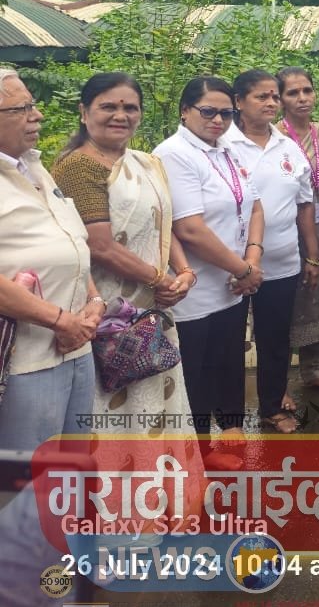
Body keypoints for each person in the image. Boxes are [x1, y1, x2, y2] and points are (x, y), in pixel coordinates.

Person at [50, 72, 200, 433]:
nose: (121, 115)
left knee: (158, 396)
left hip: (153, 301)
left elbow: (161, 226)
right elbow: (99, 245)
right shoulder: (78, 167)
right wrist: (160, 278)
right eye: (108, 106)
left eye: (130, 107)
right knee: (115, 409)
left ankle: (164, 485)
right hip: (108, 309)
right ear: (84, 112)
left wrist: (184, 273)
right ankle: (119, 490)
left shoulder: (145, 163)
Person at [154, 77, 266, 465]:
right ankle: (199, 454)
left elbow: (254, 205)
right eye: (208, 112)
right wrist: (245, 269)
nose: (218, 120)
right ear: (185, 111)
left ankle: (229, 424)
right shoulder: (174, 154)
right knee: (196, 374)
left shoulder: (228, 150)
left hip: (233, 282)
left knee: (228, 356)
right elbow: (189, 228)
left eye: (226, 113)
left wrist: (251, 256)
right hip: (196, 289)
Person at [0, 69, 101, 451]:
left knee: (69, 469)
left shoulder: (33, 165)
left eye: (34, 105)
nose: (37, 116)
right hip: (22, 361)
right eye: (21, 108)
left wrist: (93, 301)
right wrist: (60, 321)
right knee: (24, 482)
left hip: (75, 346)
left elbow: (71, 241)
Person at [227, 70, 319, 434]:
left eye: (273, 97)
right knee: (230, 342)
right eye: (260, 97)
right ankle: (228, 418)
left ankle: (271, 406)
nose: (270, 103)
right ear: (238, 102)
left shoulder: (287, 146)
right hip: (231, 265)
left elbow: (304, 205)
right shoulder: (224, 146)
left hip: (282, 262)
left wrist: (311, 255)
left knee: (276, 339)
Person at [277, 67, 319, 407]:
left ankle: (314, 371)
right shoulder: (275, 139)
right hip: (285, 231)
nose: (302, 98)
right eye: (293, 93)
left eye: (307, 90)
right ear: (281, 99)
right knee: (286, 303)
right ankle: (277, 384)